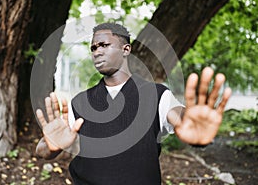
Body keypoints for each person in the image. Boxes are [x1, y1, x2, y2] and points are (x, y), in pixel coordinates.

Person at [35, 23, 232, 184]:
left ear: (126, 49)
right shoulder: (79, 102)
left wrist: (190, 122)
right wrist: (50, 147)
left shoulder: (157, 95)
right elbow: (43, 150)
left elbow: (178, 116)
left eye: (104, 45)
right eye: (94, 47)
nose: (97, 52)